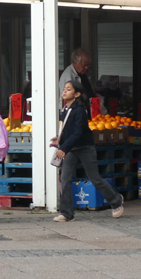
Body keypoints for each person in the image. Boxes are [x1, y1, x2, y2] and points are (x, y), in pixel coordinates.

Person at [50, 80, 124, 222]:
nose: (64, 91)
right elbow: (67, 130)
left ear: (77, 94)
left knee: (95, 179)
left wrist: (64, 147)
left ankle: (116, 201)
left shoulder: (80, 111)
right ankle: (66, 213)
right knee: (65, 179)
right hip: (72, 149)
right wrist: (59, 139)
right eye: (64, 89)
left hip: (85, 148)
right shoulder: (65, 110)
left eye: (69, 89)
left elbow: (78, 133)